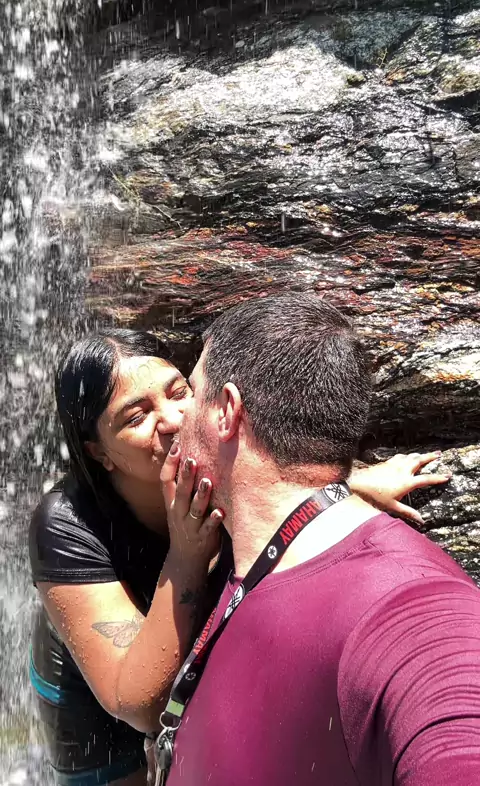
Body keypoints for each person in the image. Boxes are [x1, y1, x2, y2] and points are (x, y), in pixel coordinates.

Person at [29, 327, 449, 786]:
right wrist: (187, 554)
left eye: (178, 392)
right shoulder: (66, 522)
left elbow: (273, 479)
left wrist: (349, 487)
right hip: (95, 692)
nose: (173, 420)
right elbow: (139, 705)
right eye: (137, 417)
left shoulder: (211, 455)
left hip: (183, 652)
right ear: (98, 452)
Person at [158, 293, 480, 786]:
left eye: (192, 391)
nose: (176, 416)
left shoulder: (410, 605)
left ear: (226, 412)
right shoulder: (248, 557)